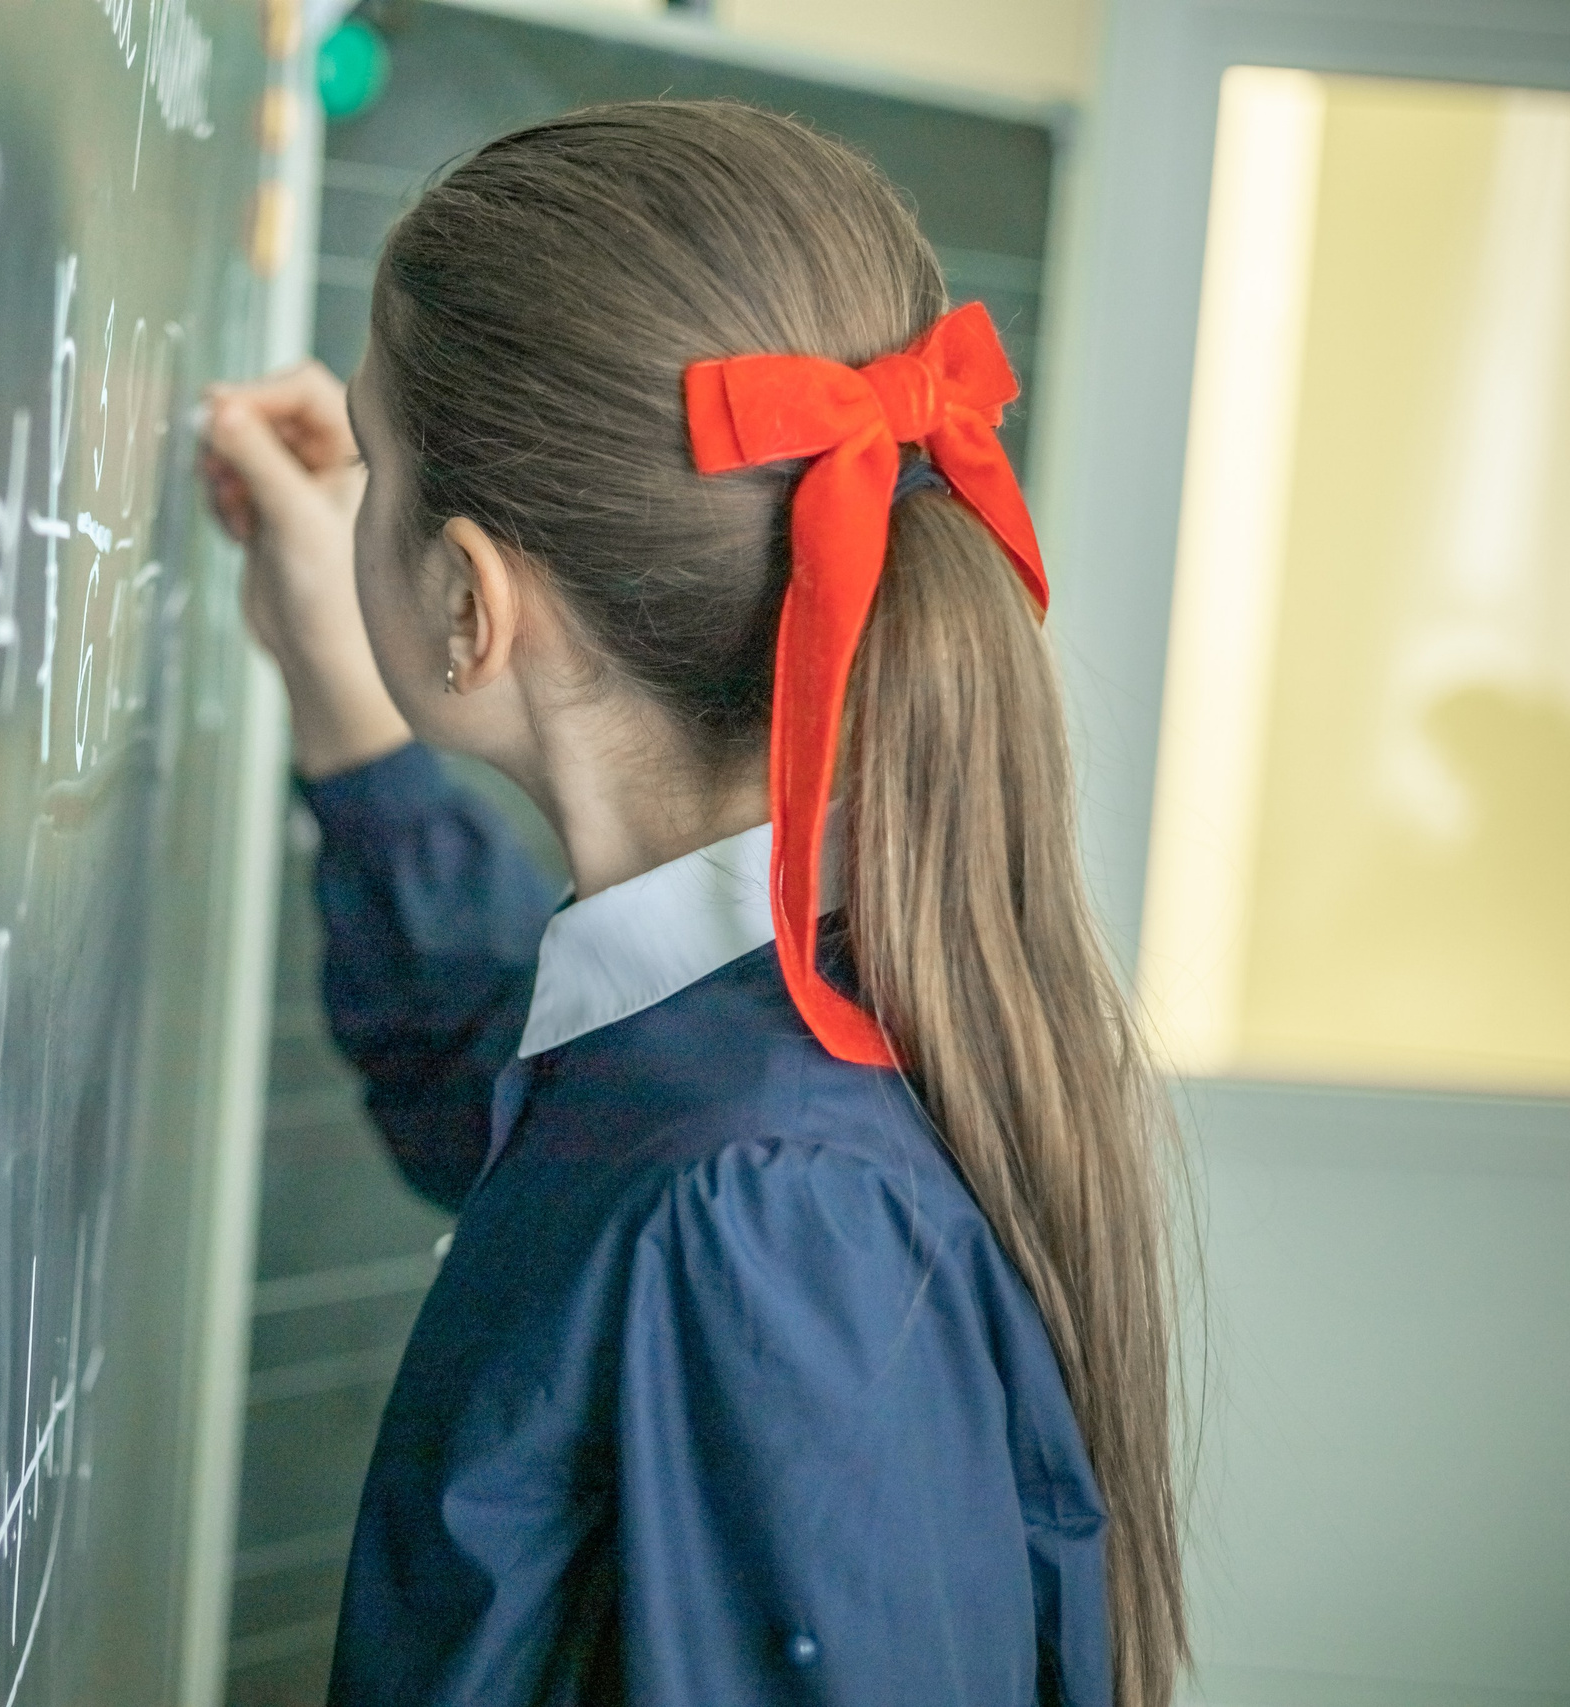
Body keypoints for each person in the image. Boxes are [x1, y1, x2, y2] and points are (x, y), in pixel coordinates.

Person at [198, 102, 1185, 1707]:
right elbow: (522, 1115)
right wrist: (338, 688)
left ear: (468, 603)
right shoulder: (764, 1028)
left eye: (373, 463)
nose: (353, 488)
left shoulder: (761, 1210)